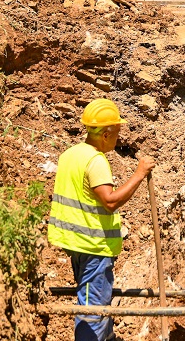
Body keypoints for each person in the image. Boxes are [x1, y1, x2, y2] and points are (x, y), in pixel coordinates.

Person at [48, 98, 155, 341]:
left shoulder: (70, 154)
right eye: (116, 133)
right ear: (106, 134)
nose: (118, 139)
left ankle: (107, 338)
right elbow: (110, 201)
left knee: (95, 296)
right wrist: (138, 175)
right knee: (93, 306)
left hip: (75, 242)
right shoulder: (95, 161)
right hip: (93, 245)